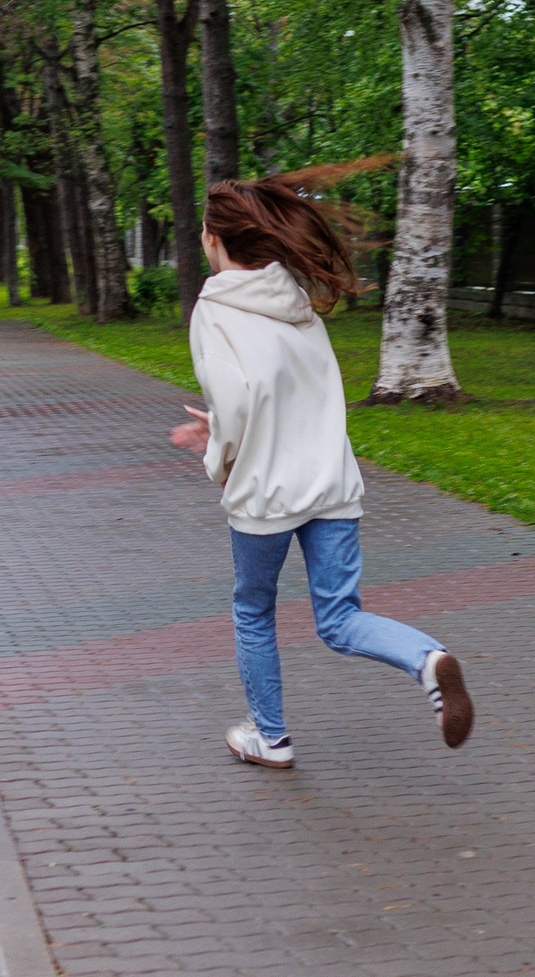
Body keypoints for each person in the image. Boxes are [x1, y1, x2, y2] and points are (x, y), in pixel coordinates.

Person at [170, 177, 473, 768]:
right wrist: (226, 423)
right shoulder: (297, 302)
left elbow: (239, 405)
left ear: (213, 239)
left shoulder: (215, 309)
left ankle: (273, 739)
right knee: (340, 619)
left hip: (265, 493)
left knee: (253, 610)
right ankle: (427, 659)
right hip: (332, 485)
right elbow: (290, 395)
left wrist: (218, 455)